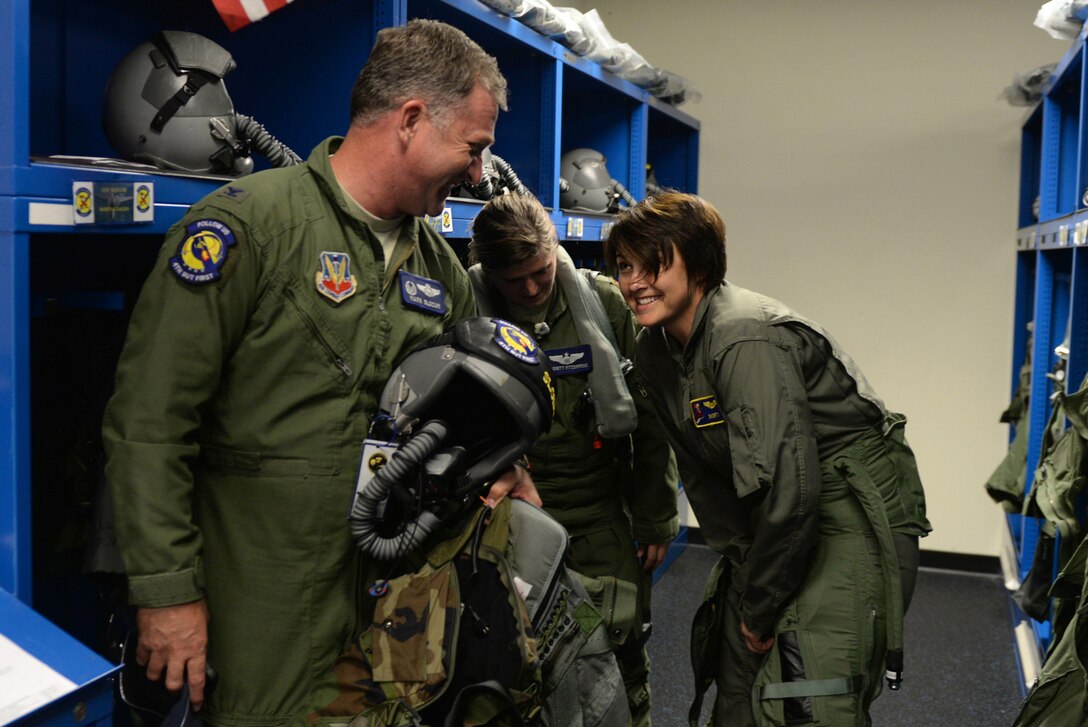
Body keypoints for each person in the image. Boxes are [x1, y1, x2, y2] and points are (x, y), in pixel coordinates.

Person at [101, 19, 529, 726]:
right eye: (473, 147)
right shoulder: (250, 229)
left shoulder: (440, 267)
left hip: (386, 612)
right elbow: (149, 424)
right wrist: (167, 593)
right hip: (263, 617)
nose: (480, 174)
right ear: (412, 120)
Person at [603, 191, 931, 727]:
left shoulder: (742, 336)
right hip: (779, 513)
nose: (634, 282)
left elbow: (790, 487)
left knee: (809, 695)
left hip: (847, 512)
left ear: (701, 264)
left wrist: (761, 605)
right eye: (623, 267)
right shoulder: (655, 349)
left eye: (652, 265)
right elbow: (702, 473)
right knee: (737, 685)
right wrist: (748, 577)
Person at [467, 193, 680, 725]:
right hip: (510, 515)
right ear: (491, 274)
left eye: (541, 271)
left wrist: (655, 516)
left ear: (554, 247)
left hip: (600, 513)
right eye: (516, 281)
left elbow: (653, 420)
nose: (533, 289)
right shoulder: (469, 310)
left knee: (621, 652)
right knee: (519, 663)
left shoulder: (604, 305)